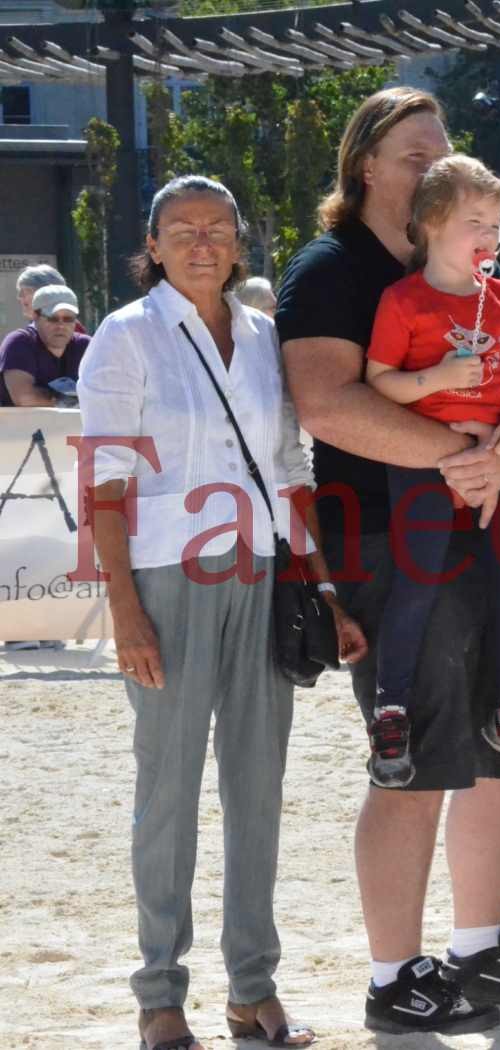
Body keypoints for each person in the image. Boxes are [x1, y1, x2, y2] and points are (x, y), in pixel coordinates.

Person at [273, 86, 500, 1036]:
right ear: (365, 164)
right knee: (414, 754)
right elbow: (327, 407)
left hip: (489, 514)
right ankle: (391, 974)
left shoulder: (475, 267)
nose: (432, 167)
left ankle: (478, 948)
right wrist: (464, 459)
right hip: (386, 533)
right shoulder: (329, 270)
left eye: (442, 153)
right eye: (414, 154)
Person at [78, 174, 369, 1050]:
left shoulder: (263, 337)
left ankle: (253, 988)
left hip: (262, 576)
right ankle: (159, 994)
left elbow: (290, 467)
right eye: (181, 229)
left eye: (216, 229)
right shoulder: (124, 341)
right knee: (166, 792)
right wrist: (125, 614)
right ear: (154, 247)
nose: (201, 242)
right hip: (166, 581)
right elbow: (104, 487)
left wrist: (323, 586)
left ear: (238, 245)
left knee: (258, 789)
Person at [362, 154, 500, 787]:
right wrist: (439, 381)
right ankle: (391, 712)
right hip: (423, 470)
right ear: (433, 222)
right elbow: (379, 382)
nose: (489, 237)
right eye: (476, 222)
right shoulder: (402, 300)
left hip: (497, 467)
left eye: (496, 225)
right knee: (415, 586)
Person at [0, 284, 90, 407]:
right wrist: (74, 402)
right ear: (35, 316)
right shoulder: (19, 342)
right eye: (53, 318)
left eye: (68, 318)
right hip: (21, 426)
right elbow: (25, 397)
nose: (61, 326)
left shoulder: (85, 346)